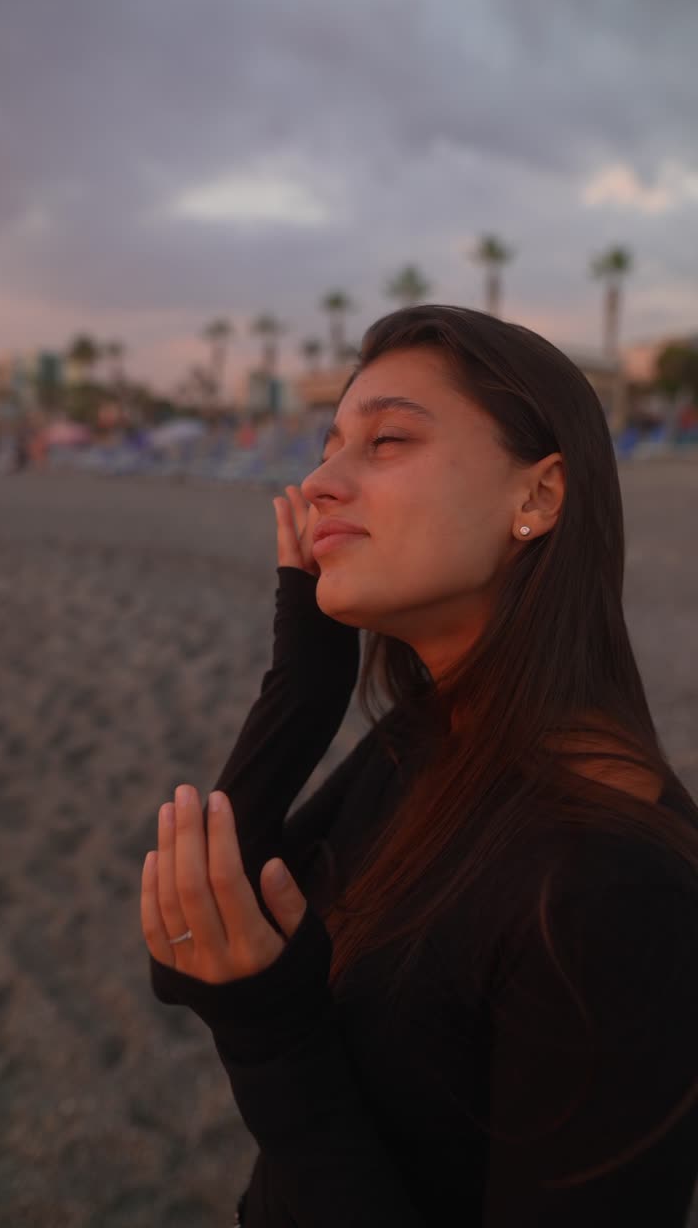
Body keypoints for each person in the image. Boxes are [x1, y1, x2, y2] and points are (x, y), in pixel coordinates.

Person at [141, 306, 698, 1226]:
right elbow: (190, 950)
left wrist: (275, 1042)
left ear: (539, 497)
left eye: (387, 439)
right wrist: (304, 687)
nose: (319, 480)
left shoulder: (618, 891)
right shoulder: (431, 735)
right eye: (328, 447)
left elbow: (240, 995)